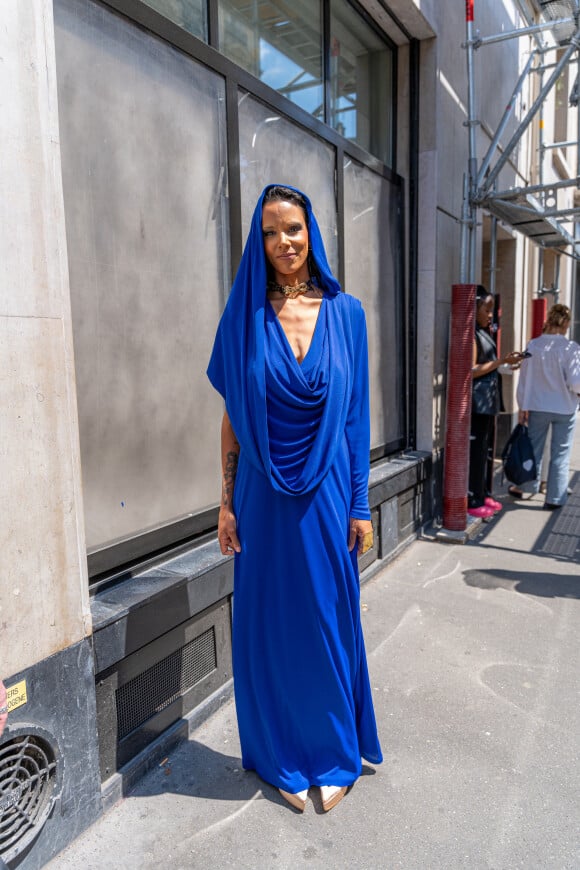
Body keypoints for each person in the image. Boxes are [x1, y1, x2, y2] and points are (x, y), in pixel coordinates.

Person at [207, 184, 382, 813]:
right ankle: (279, 754)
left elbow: (357, 420)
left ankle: (335, 754)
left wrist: (361, 504)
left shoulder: (349, 314)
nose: (285, 242)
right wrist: (225, 502)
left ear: (313, 234)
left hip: (331, 494)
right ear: (260, 241)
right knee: (271, 627)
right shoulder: (244, 317)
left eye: (295, 229)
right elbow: (231, 418)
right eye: (272, 232)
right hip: (260, 495)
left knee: (331, 621)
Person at [510, 303, 580, 508]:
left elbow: (525, 379)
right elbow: (576, 382)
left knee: (534, 449)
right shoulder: (571, 349)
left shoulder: (533, 345)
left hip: (538, 406)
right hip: (565, 407)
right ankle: (555, 498)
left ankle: (527, 487)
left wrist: (523, 405)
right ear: (566, 323)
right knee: (561, 453)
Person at [469, 285, 523, 519]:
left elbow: (488, 365)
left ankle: (482, 494)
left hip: (488, 401)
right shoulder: (471, 334)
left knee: (487, 451)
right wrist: (501, 360)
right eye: (487, 309)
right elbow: (470, 370)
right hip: (477, 403)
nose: (490, 315)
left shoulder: (484, 332)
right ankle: (473, 498)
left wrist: (505, 363)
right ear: (475, 308)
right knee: (477, 451)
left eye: (492, 310)